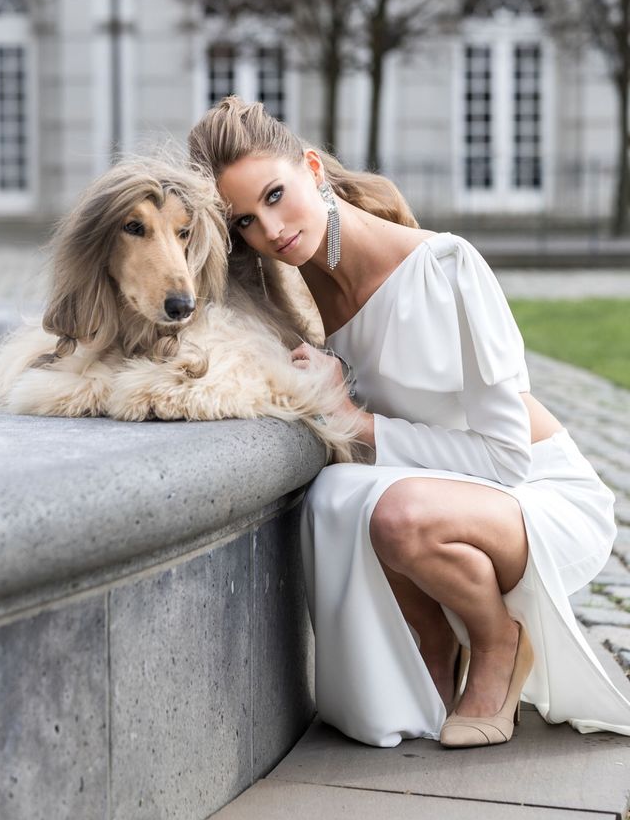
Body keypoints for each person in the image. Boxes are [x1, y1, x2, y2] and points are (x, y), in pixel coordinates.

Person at [188, 95, 630, 749]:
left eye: (278, 195)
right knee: (335, 495)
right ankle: (431, 647)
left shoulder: (446, 267)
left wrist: (354, 422)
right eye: (247, 221)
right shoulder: (310, 295)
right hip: (454, 493)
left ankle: (498, 642)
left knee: (395, 514)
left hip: (540, 496)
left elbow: (506, 461)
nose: (271, 229)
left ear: (313, 166)